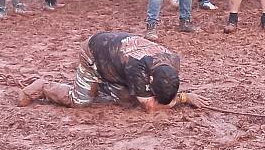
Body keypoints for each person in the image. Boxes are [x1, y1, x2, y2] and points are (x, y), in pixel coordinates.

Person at [18, 32, 207, 112]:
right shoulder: (137, 69)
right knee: (80, 102)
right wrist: (184, 98)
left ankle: (105, 86)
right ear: (150, 79)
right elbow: (150, 106)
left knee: (128, 100)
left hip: (116, 56)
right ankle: (43, 86)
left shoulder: (173, 61)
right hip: (94, 54)